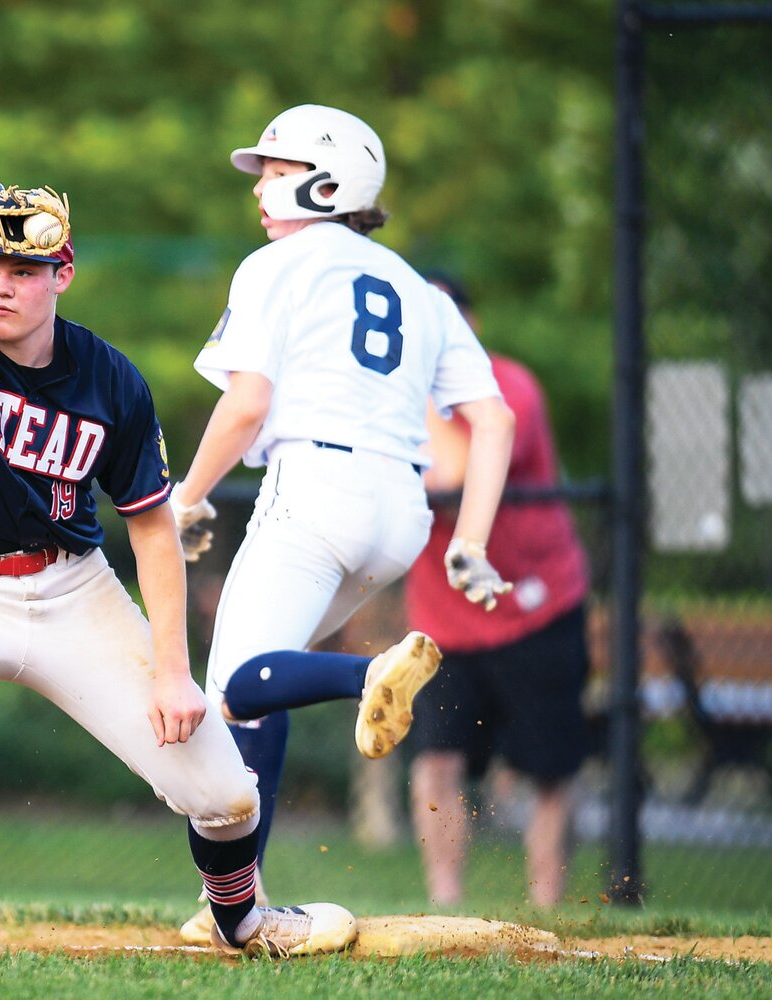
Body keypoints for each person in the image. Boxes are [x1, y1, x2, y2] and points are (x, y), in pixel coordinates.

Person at [0, 146, 357, 957]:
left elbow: (153, 526)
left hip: (73, 596)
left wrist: (173, 668)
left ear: (62, 274)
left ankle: (241, 918)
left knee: (228, 792)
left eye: (22, 269)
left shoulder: (112, 380)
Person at [168, 105, 517, 939]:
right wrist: (469, 540)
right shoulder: (418, 288)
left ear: (329, 182)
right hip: (402, 514)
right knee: (259, 693)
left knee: (231, 685)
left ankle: (367, 678)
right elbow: (493, 419)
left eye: (279, 171)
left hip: (315, 487)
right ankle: (235, 903)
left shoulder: (277, 265)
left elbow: (247, 402)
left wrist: (189, 494)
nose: (263, 186)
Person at [405, 271, 592, 908]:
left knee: (548, 771)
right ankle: (444, 905)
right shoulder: (394, 395)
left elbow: (455, 471)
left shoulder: (508, 389)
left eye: (441, 323)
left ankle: (547, 911)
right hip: (444, 621)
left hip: (534, 609)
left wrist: (419, 391)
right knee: (437, 762)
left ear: (469, 327)